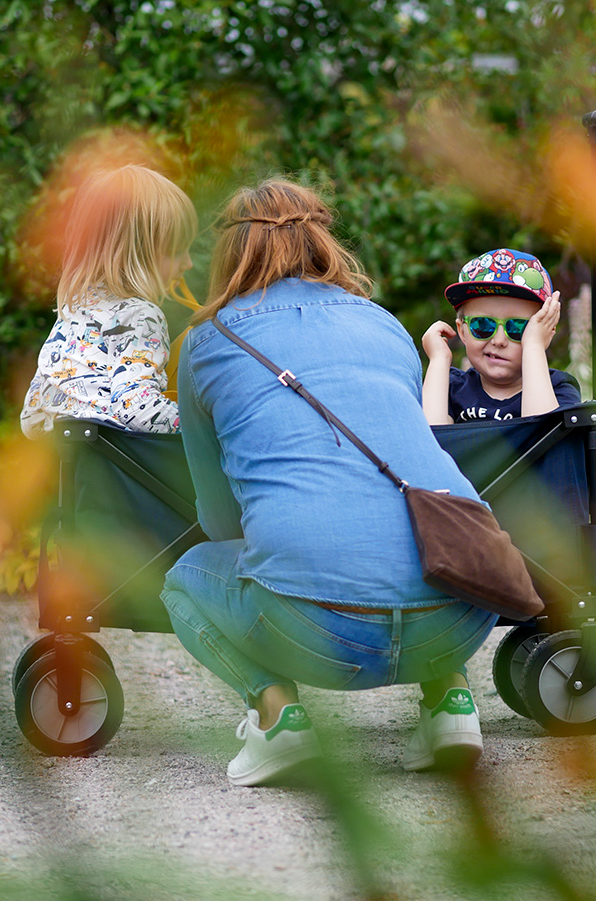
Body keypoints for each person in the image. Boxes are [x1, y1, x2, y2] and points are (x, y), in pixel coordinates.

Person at [161, 179, 498, 786]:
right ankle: (450, 706)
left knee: (185, 580)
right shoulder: (384, 324)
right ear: (322, 238)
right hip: (463, 612)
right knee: (417, 526)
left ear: (230, 251)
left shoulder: (209, 342)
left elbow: (218, 520)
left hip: (324, 634)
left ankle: (277, 721)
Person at [20, 165, 197, 438]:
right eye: (175, 251)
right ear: (136, 254)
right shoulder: (140, 317)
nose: (188, 263)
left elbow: (32, 418)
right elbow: (138, 409)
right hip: (123, 476)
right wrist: (208, 429)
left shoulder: (74, 311)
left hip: (67, 475)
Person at [421, 248, 581, 425]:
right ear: (462, 331)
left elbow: (543, 437)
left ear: (544, 334)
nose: (498, 341)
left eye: (518, 328)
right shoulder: (451, 388)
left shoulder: (558, 387)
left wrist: (533, 346)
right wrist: (439, 360)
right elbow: (429, 444)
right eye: (482, 325)